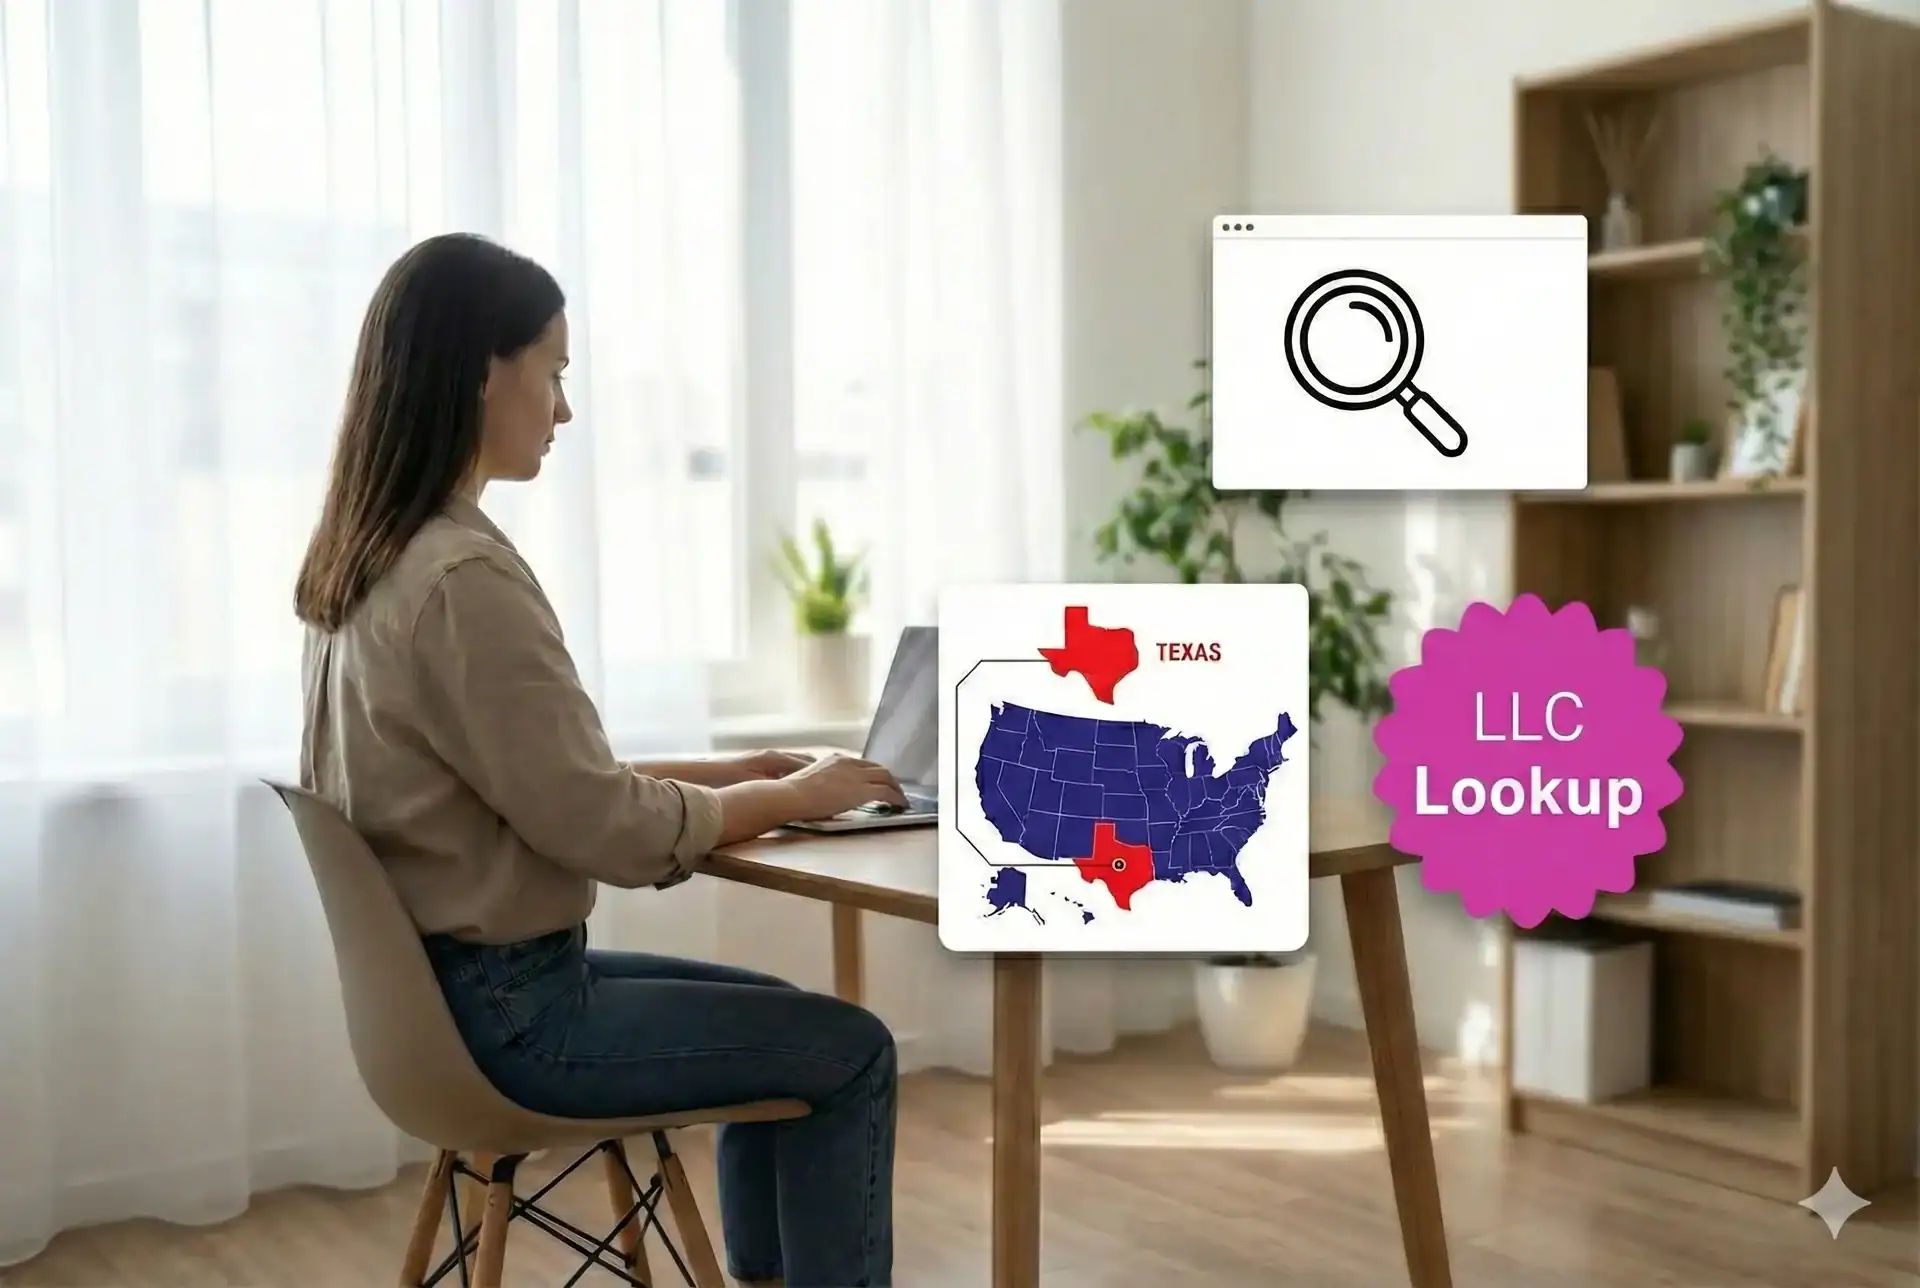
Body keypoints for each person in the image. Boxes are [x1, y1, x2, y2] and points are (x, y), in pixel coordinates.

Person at [293, 232, 906, 1288]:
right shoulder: (462, 576)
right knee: (849, 1050)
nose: (564, 408)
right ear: (488, 369)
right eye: (556, 371)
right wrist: (794, 792)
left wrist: (736, 773)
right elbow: (607, 830)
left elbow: (534, 777)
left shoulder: (367, 559)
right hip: (521, 1021)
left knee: (782, 1012)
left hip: (436, 1008)